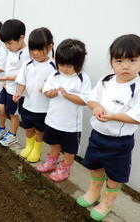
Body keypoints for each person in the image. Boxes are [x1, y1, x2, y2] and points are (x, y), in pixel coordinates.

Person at [76, 34, 140, 221]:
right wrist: (96, 107)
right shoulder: (106, 79)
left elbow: (136, 117)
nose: (125, 66)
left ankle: (107, 202)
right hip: (98, 135)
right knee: (95, 167)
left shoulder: (137, 87)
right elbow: (92, 98)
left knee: (115, 175)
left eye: (132, 60)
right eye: (119, 60)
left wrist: (112, 117)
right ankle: (93, 192)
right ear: (112, 61)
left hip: (119, 143)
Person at [37, 39, 91, 182]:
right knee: (53, 142)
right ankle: (51, 161)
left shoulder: (82, 78)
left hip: (71, 126)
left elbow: (86, 100)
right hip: (53, 120)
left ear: (79, 63)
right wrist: (50, 93)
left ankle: (65, 168)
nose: (64, 68)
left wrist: (68, 95)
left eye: (69, 65)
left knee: (69, 149)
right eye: (61, 64)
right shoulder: (55, 75)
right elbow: (46, 90)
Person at [13, 27, 56, 163]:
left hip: (43, 108)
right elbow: (22, 81)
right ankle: (29, 146)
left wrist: (50, 91)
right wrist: (19, 93)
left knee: (39, 131)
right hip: (28, 104)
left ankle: (37, 150)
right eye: (32, 50)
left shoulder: (54, 67)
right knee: (28, 127)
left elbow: (55, 87)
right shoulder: (27, 64)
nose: (36, 53)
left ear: (49, 47)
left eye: (40, 49)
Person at [0, 19, 29, 146]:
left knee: (13, 114)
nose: (7, 46)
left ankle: (13, 134)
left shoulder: (25, 54)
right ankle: (1, 129)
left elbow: (25, 75)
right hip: (6, 87)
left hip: (16, 91)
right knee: (0, 109)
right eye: (5, 44)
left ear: (21, 38)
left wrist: (8, 79)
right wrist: (5, 81)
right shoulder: (12, 50)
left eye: (9, 43)